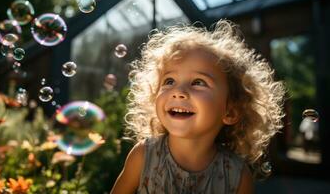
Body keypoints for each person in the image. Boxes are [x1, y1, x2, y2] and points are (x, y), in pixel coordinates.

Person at [111, 20, 285, 194]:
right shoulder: (144, 156)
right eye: (169, 81)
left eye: (198, 82)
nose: (178, 91)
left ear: (230, 111)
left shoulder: (236, 175)